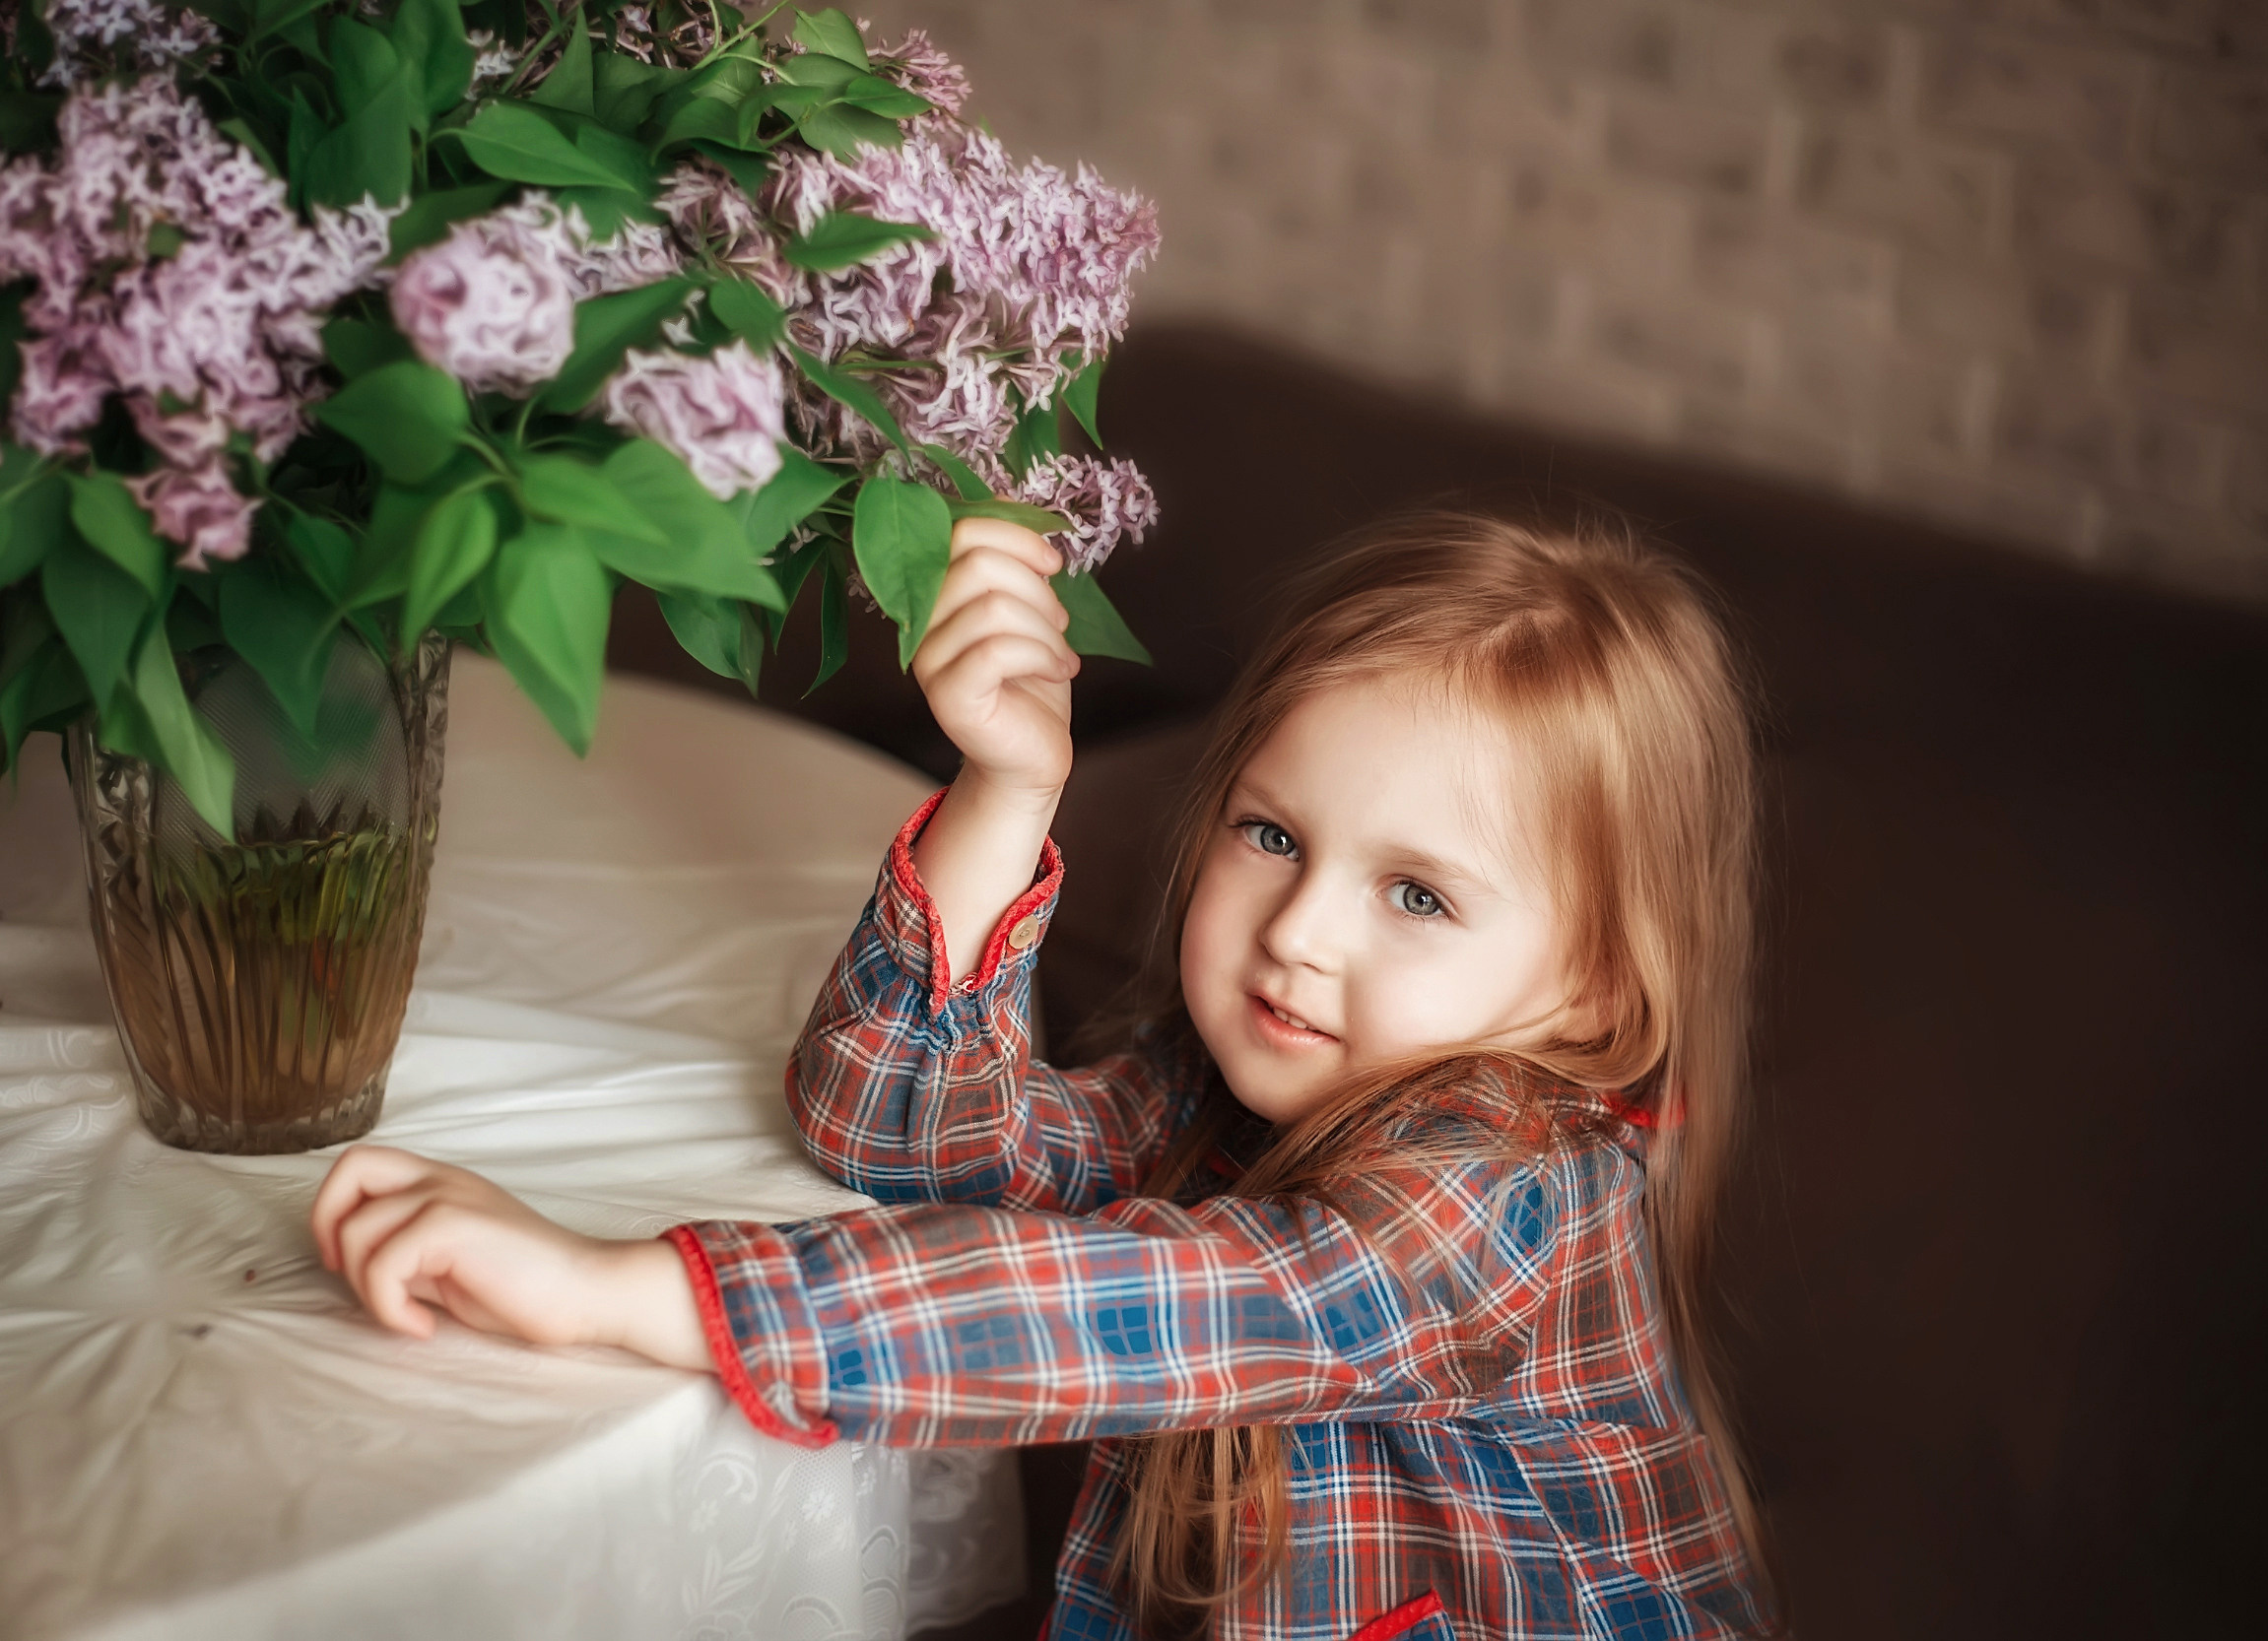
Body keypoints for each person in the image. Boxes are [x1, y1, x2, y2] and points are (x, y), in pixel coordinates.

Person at [313, 508, 1776, 1640]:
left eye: (1418, 896)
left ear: (1595, 984)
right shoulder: (1216, 1081)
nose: (1298, 935)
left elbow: (1165, 1302)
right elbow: (898, 1130)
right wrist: (1008, 787)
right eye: (1273, 834)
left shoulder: (1512, 1193)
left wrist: (631, 1292)